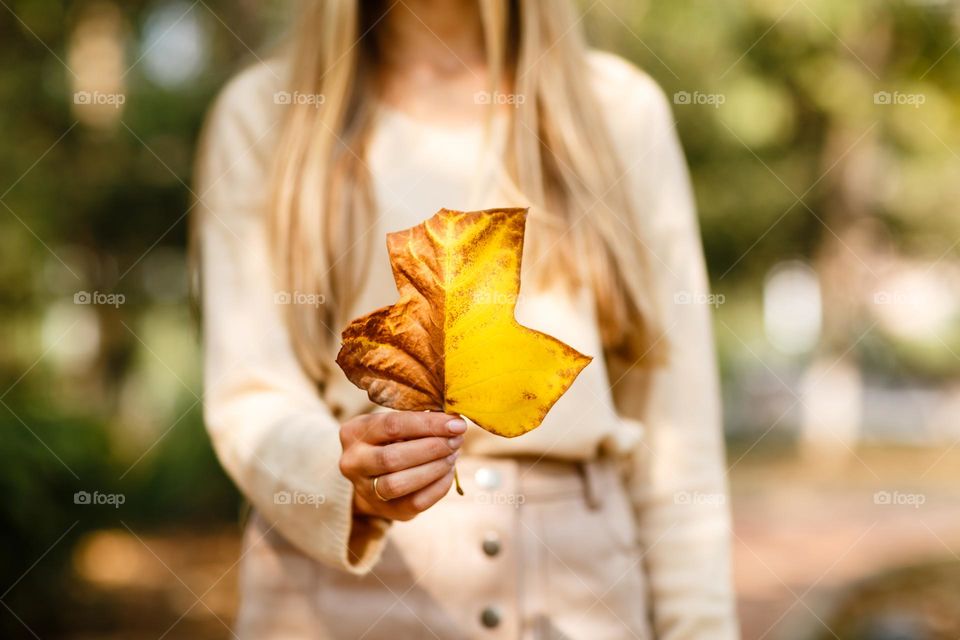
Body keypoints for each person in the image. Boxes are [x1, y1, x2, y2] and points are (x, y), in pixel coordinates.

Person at [193, 0, 738, 637]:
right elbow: (248, 393)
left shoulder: (619, 112)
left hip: (582, 592)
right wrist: (344, 481)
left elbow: (679, 432)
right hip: (337, 595)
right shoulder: (265, 113)